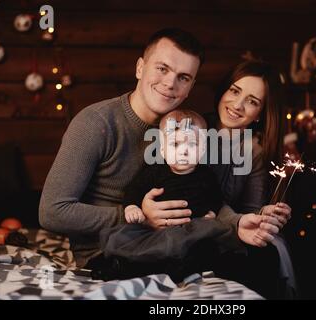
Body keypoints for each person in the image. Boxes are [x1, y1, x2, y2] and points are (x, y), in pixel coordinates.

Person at [38, 28, 284, 275]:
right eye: (162, 69)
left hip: (180, 250)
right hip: (110, 253)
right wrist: (135, 216)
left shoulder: (187, 131)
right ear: (140, 68)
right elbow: (52, 211)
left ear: (190, 87)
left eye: (183, 77)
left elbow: (206, 195)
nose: (170, 83)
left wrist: (239, 222)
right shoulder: (97, 123)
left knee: (259, 262)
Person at [95, 110, 241, 282]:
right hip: (159, 231)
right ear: (163, 150)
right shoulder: (154, 172)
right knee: (133, 245)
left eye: (192, 145)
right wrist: (132, 206)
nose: (184, 151)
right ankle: (122, 266)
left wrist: (212, 212)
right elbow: (134, 190)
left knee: (208, 246)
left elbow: (216, 196)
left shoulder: (206, 175)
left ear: (202, 149)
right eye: (175, 144)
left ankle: (183, 269)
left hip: (193, 228)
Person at [204, 59, 297, 299]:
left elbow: (250, 209)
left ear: (260, 114)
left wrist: (265, 213)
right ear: (224, 90)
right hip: (195, 227)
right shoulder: (193, 131)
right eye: (235, 91)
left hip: (232, 231)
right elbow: (198, 196)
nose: (237, 105)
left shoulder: (254, 150)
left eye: (252, 101)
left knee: (269, 247)